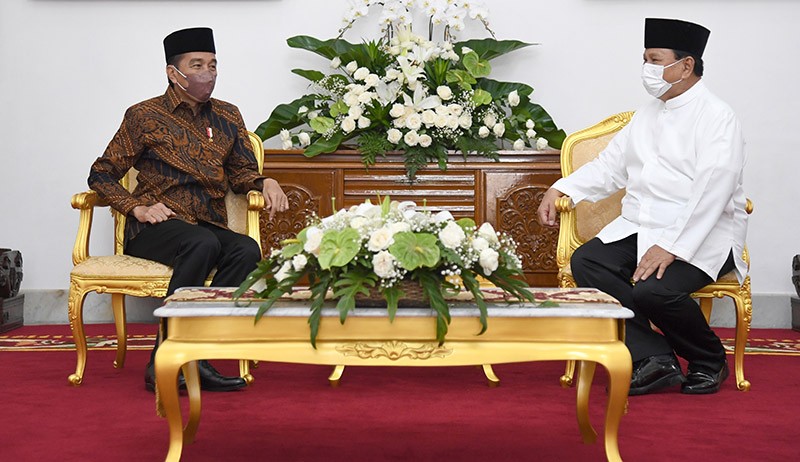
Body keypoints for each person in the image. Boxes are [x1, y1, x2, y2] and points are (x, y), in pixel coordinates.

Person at [537, 18, 748, 395]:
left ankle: (709, 360)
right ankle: (653, 357)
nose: (647, 70)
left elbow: (713, 191)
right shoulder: (646, 114)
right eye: (645, 59)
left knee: (653, 291)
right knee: (588, 261)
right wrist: (561, 186)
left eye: (655, 59)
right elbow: (609, 167)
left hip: (701, 233)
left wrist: (672, 246)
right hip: (642, 225)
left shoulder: (717, 117)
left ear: (686, 65)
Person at [88, 27, 289, 392]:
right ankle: (164, 360)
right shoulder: (143, 115)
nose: (206, 75)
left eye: (212, 65)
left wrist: (265, 182)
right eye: (196, 66)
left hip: (205, 222)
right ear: (173, 72)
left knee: (245, 249)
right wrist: (137, 208)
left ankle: (196, 357)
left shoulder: (228, 116)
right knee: (201, 244)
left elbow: (242, 171)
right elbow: (100, 175)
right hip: (155, 228)